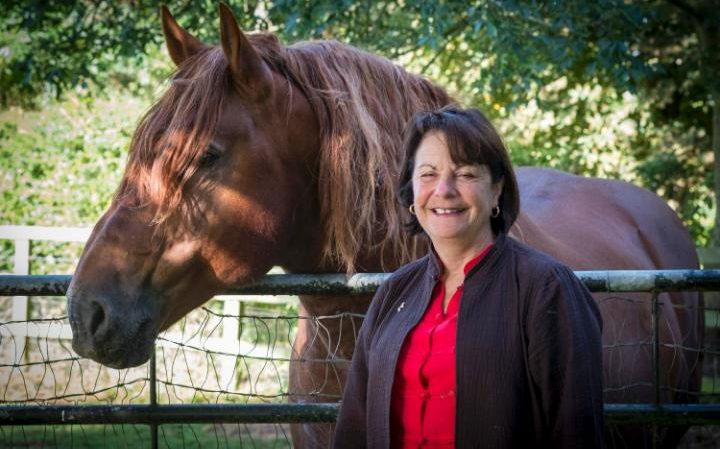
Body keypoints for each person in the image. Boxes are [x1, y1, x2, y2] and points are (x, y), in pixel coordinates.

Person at [333, 106, 604, 449]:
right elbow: (355, 428)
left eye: (465, 174)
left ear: (496, 190)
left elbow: (576, 433)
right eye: (428, 174)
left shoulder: (547, 289)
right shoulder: (394, 293)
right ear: (412, 193)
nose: (444, 190)